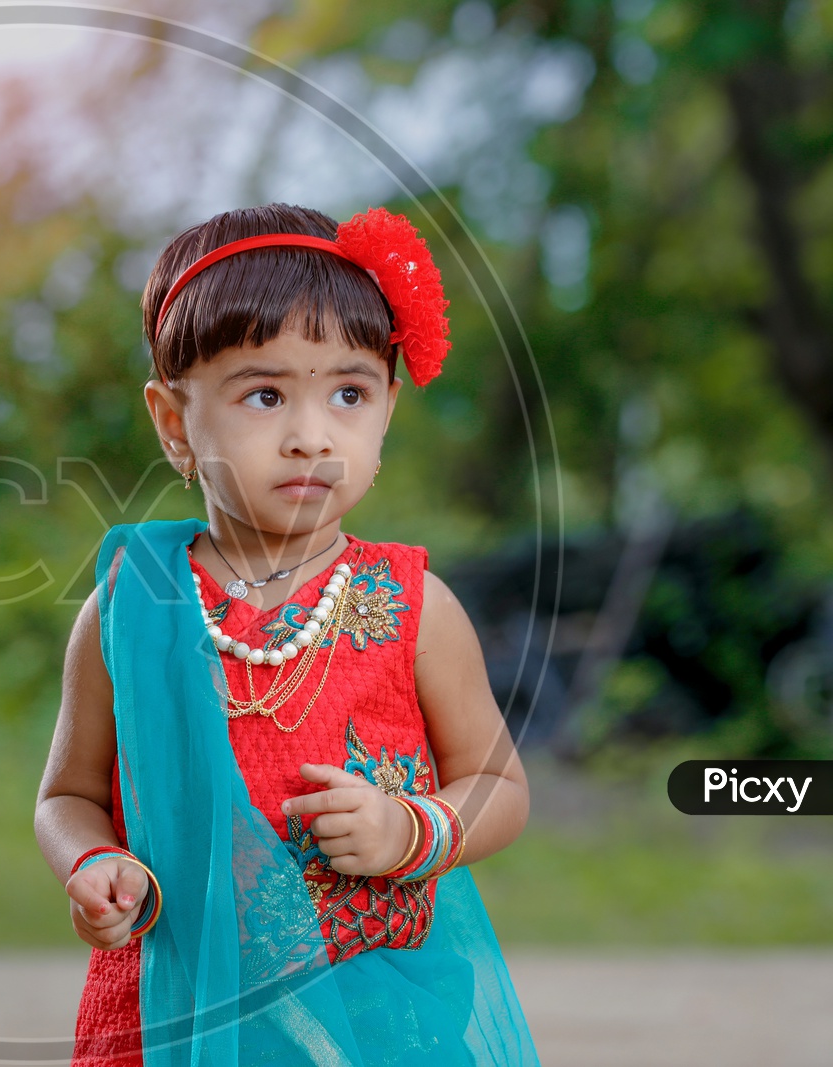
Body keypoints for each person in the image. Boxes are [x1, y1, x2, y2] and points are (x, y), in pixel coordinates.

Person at [33, 203, 539, 1065]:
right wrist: (89, 864)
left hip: (372, 1007)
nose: (312, 436)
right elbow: (66, 796)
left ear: (385, 412)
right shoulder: (132, 606)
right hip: (175, 1008)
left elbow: (497, 782)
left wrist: (409, 831)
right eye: (265, 395)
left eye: (350, 392)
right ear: (172, 422)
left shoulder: (413, 605)